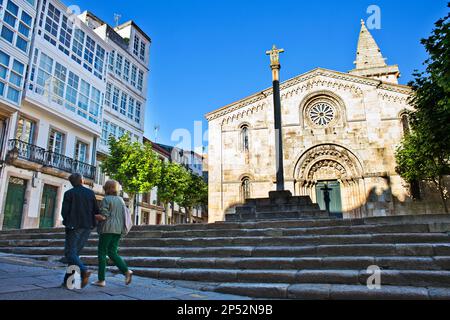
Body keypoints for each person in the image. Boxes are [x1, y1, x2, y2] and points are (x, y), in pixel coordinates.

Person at [61, 173, 101, 289]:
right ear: (82, 181)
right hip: (87, 227)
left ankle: (84, 270)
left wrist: (67, 222)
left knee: (70, 253)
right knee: (75, 254)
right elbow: (96, 210)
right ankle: (68, 282)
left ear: (72, 183)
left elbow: (64, 211)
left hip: (74, 226)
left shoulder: (69, 193)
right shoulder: (90, 193)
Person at [93, 180, 133, 287]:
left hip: (107, 229)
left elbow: (104, 216)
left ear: (107, 188)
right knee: (112, 252)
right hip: (118, 230)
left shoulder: (106, 199)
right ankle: (126, 271)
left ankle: (101, 280)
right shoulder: (121, 200)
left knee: (102, 253)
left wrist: (91, 215)